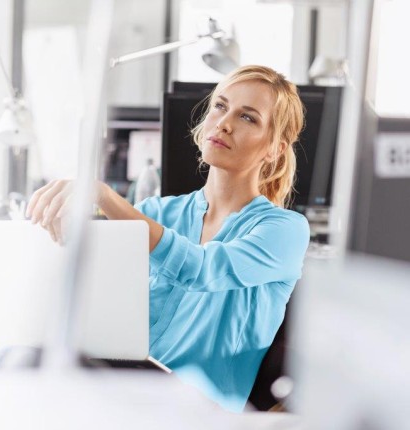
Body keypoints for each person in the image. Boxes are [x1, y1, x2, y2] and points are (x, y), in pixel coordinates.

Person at [25, 65, 310, 412]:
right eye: (220, 106)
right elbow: (103, 303)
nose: (224, 123)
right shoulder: (156, 212)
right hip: (127, 387)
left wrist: (103, 194)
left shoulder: (285, 230)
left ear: (274, 149)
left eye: (247, 117)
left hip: (196, 407)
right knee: (24, 355)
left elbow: (200, 269)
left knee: (29, 367)